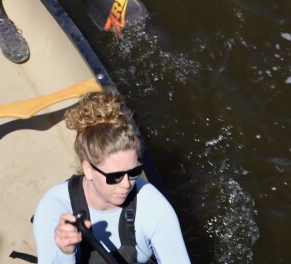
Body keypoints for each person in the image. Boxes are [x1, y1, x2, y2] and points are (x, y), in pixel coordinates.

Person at [33, 90, 191, 264]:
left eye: (133, 172)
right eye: (115, 176)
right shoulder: (54, 207)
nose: (127, 184)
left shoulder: (153, 206)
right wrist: (65, 252)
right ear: (88, 169)